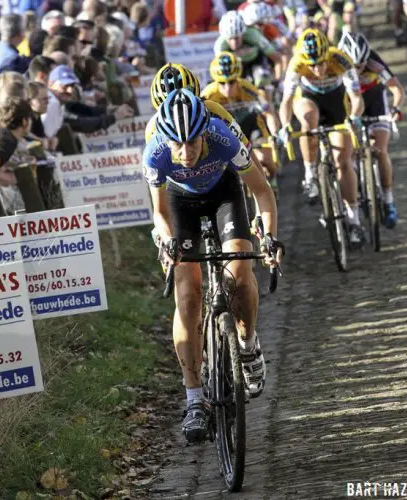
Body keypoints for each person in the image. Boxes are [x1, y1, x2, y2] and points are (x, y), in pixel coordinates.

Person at [144, 90, 282, 442]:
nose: (186, 153)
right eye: (178, 145)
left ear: (205, 131)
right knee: (187, 295)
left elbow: (262, 193)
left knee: (239, 269)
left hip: (224, 195)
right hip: (180, 205)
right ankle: (193, 399)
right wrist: (167, 241)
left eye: (192, 143)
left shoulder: (223, 137)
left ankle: (248, 346)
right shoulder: (156, 152)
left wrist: (269, 237)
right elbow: (159, 213)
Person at [278, 29, 366, 246]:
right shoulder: (296, 63)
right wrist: (285, 125)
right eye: (312, 65)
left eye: (321, 63)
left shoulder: (340, 59)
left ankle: (354, 219)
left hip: (337, 103)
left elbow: (356, 98)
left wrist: (354, 117)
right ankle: (310, 175)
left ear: (328, 55)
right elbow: (287, 102)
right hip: (309, 99)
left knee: (343, 163)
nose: (318, 69)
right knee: (309, 119)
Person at [338, 32, 404, 228]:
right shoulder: (336, 62)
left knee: (381, 150)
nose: (357, 70)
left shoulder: (375, 63)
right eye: (353, 65)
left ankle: (388, 200)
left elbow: (397, 90)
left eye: (361, 65)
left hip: (375, 102)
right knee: (350, 152)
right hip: (349, 104)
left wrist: (396, 109)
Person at [203, 52, 280, 190]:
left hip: (250, 126)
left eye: (232, 82)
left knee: (265, 160)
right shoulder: (208, 94)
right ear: (215, 80)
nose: (227, 88)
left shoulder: (247, 88)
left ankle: (273, 180)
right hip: (225, 132)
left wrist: (275, 134)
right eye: (222, 83)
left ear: (238, 78)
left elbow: (268, 113)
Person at [214, 11, 287, 85]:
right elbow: (219, 73)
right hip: (236, 65)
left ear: (243, 33)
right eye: (230, 39)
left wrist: (278, 80)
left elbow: (277, 58)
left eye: (237, 38)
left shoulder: (254, 35)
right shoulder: (220, 45)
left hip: (256, 60)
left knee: (263, 81)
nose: (234, 42)